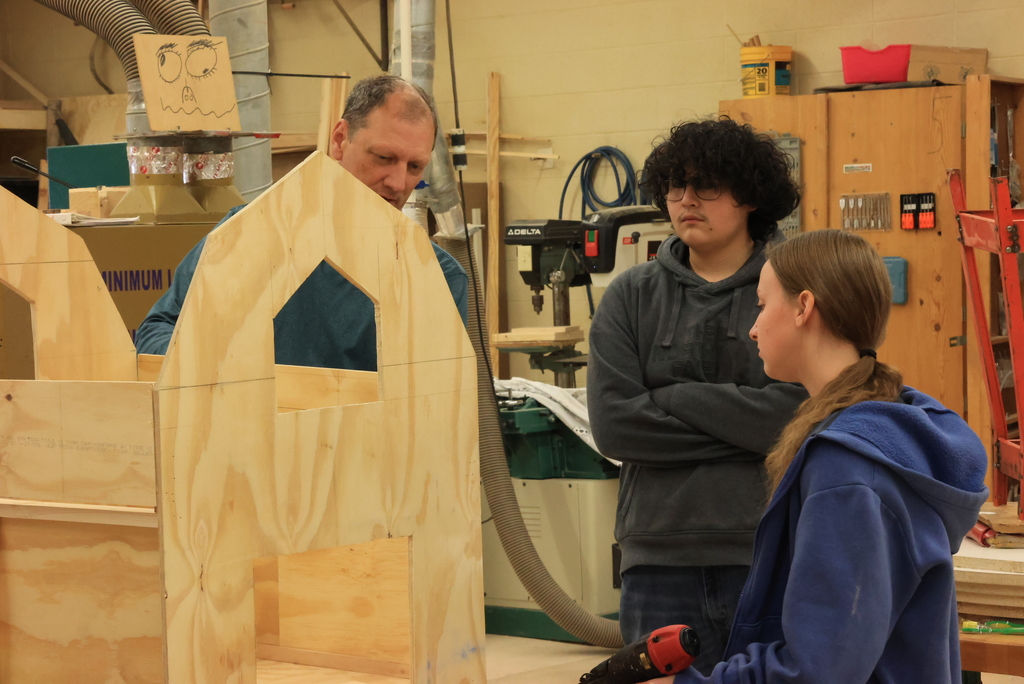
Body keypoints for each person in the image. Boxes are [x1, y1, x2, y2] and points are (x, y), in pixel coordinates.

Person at [648, 229, 988, 683]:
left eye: (763, 305)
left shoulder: (847, 467)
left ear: (804, 307)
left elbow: (820, 669)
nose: (753, 326)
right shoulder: (894, 427)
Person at [587, 117, 808, 673]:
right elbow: (615, 426)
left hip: (767, 549)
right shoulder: (629, 296)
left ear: (750, 195)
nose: (686, 200)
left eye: (706, 185)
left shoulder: (795, 289)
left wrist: (674, 396)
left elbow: (799, 415)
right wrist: (745, 427)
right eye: (675, 186)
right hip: (657, 556)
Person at [135, 74, 468, 369]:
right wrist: (221, 370)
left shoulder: (435, 277)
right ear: (340, 140)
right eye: (384, 158)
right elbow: (156, 333)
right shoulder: (249, 234)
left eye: (414, 167)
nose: (398, 183)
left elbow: (438, 403)